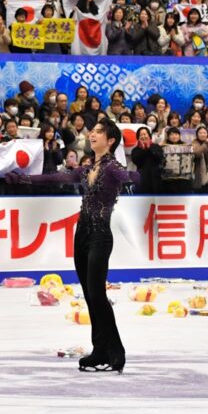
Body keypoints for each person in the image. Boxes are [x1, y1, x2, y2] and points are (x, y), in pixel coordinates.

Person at [21, 119, 138, 372]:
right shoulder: (86, 170)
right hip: (81, 233)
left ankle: (116, 351)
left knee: (97, 294)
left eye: (98, 132)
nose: (92, 134)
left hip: (100, 235)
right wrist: (26, 179)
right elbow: (57, 177)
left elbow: (131, 177)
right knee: (88, 295)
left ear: (110, 141)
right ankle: (99, 350)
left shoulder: (112, 168)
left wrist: (132, 172)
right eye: (92, 130)